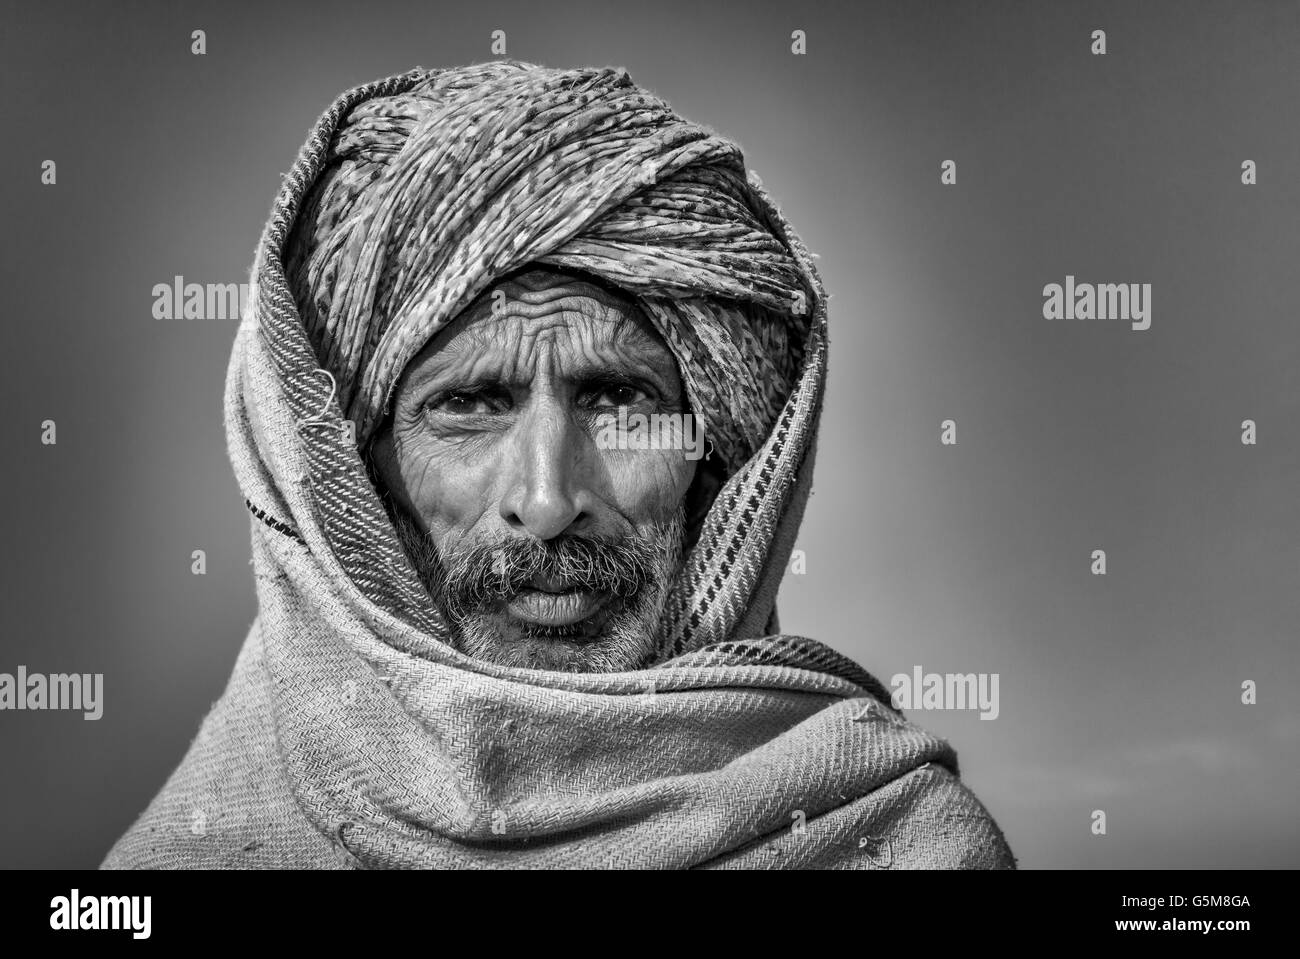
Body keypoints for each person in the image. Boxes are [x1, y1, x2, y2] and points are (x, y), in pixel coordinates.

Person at [103, 61, 1015, 869]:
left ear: (722, 462)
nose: (547, 501)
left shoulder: (899, 843)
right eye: (467, 404)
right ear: (353, 479)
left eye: (620, 401)